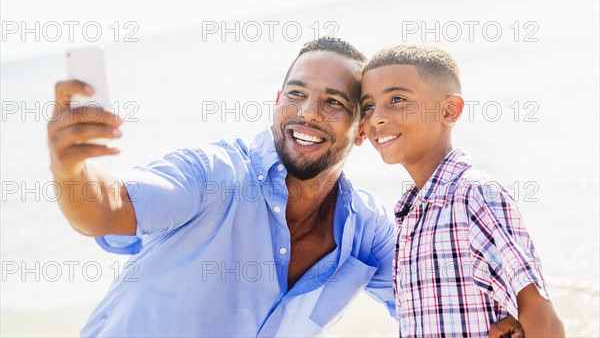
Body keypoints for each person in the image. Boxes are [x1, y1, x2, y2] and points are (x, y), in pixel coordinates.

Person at [47, 37, 522, 337]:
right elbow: (104, 211)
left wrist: (511, 320)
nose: (308, 113)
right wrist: (69, 166)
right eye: (296, 93)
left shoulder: (367, 231)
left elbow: (432, 300)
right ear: (278, 101)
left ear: (362, 129)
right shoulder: (213, 173)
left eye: (334, 101)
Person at [359, 44, 565, 337]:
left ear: (449, 110)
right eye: (367, 106)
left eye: (397, 99)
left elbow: (542, 319)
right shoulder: (411, 214)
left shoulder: (474, 197)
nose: (376, 117)